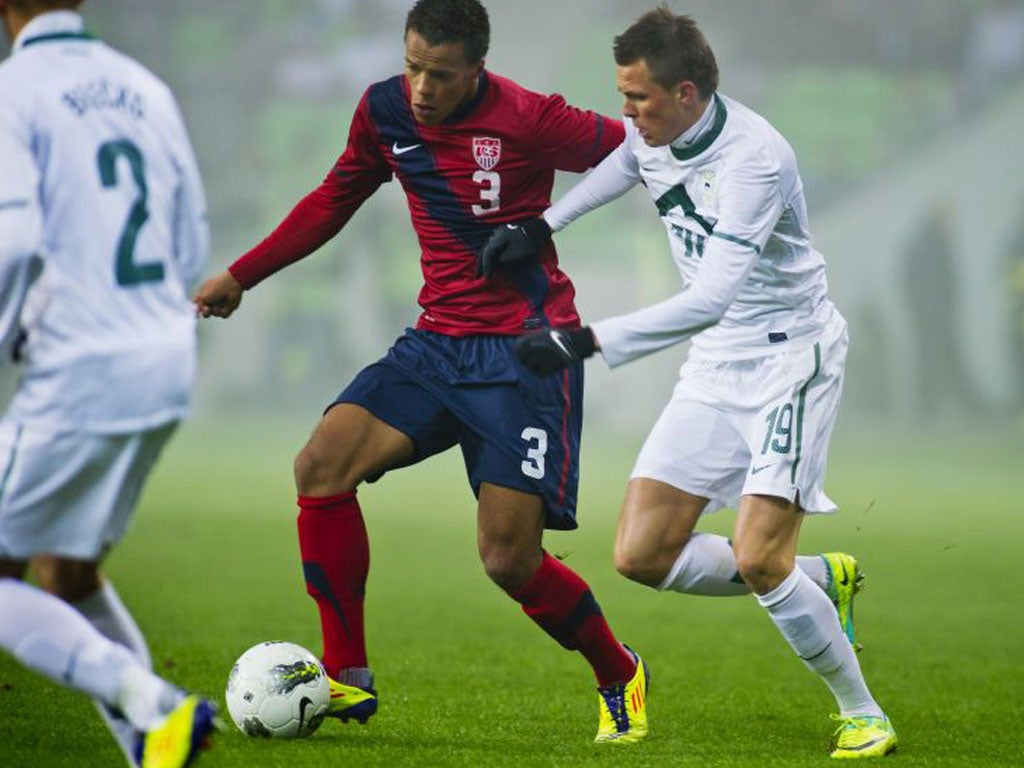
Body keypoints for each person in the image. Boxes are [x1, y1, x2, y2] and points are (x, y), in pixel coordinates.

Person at [193, 0, 649, 744]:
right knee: (321, 466)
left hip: (525, 354)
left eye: (440, 75)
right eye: (412, 68)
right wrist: (244, 273)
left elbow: (638, 150)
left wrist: (561, 222)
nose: (421, 88)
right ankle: (347, 676)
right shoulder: (384, 112)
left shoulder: (532, 118)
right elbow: (333, 198)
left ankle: (618, 670)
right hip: (436, 343)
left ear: (476, 69)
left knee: (508, 560)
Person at [486, 7, 898, 759]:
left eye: (637, 98)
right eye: (622, 96)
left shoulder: (755, 160)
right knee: (641, 554)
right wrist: (544, 226)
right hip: (716, 364)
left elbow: (710, 296)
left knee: (759, 559)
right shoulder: (655, 136)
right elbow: (625, 167)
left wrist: (584, 340)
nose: (626, 113)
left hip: (788, 361)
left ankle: (863, 711)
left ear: (685, 92)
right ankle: (820, 579)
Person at [0, 2, 216, 766]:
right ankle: (154, 749)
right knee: (69, 570)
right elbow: (192, 231)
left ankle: (151, 700)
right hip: (162, 356)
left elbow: (16, 240)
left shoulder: (16, 90)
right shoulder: (144, 87)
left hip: (81, 368)